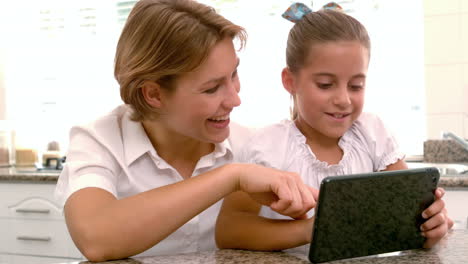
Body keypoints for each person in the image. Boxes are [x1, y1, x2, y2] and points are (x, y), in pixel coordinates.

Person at [54, 0, 316, 261]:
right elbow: (96, 238)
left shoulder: (252, 144)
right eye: (212, 88)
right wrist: (231, 177)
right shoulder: (99, 141)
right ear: (154, 94)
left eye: (233, 75)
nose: (235, 100)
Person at [215, 2, 453, 253]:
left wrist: (430, 227)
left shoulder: (373, 133)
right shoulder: (267, 146)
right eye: (326, 84)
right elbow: (229, 230)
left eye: (356, 86)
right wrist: (312, 229)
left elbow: (411, 213)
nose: (344, 99)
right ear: (290, 81)